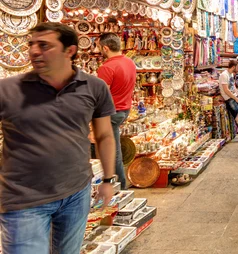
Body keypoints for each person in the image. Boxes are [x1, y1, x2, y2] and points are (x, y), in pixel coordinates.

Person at [0, 22, 116, 253]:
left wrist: (108, 180)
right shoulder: (8, 90)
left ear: (69, 51)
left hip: (76, 193)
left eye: (44, 45)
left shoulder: (94, 87)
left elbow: (104, 136)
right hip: (23, 200)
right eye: (31, 44)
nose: (34, 51)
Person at [97, 33, 137, 189]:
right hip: (124, 110)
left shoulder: (106, 67)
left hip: (110, 113)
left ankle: (119, 187)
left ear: (105, 48)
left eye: (99, 47)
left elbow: (101, 96)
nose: (98, 49)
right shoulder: (129, 62)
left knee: (112, 153)